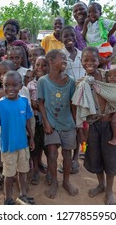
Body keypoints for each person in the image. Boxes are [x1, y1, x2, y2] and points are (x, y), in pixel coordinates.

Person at [72, 46, 116, 205]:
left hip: (109, 126)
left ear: (99, 60)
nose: (89, 63)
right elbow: (78, 106)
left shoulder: (108, 77)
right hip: (92, 126)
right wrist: (80, 128)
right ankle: (101, 184)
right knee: (95, 156)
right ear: (81, 62)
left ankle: (109, 191)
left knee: (110, 158)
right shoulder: (81, 83)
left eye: (93, 60)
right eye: (85, 60)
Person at [37, 49, 78, 199]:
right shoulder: (43, 81)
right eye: (62, 58)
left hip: (68, 124)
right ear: (51, 61)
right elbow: (40, 103)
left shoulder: (71, 81)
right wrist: (46, 123)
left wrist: (75, 122)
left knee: (67, 154)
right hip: (51, 124)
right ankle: (54, 182)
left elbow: (73, 104)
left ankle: (66, 181)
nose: (65, 60)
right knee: (52, 154)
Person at [0, 71, 35, 205]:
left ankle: (23, 195)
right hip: (8, 146)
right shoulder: (0, 104)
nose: (10, 89)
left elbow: (27, 121)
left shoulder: (24, 101)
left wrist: (31, 138)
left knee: (23, 171)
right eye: (6, 85)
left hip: (22, 144)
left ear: (21, 86)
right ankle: (8, 199)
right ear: (2, 85)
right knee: (8, 174)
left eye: (14, 85)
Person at [61, 25, 86, 173]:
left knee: (83, 129)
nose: (69, 38)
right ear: (61, 38)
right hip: (67, 100)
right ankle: (68, 158)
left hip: (83, 99)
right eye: (66, 36)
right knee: (71, 128)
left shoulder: (83, 54)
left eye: (72, 35)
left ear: (76, 37)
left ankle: (79, 155)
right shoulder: (60, 56)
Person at [72, 1, 116, 68]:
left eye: (81, 9)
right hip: (83, 72)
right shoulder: (73, 32)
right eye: (75, 11)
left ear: (87, 10)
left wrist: (108, 60)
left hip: (103, 71)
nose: (78, 12)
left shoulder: (101, 26)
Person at [27, 56, 48, 185]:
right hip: (34, 119)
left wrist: (42, 106)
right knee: (35, 144)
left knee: (45, 144)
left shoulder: (50, 82)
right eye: (38, 65)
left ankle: (40, 163)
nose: (40, 67)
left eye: (44, 65)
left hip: (47, 119)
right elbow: (26, 100)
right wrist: (32, 103)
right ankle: (35, 169)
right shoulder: (30, 84)